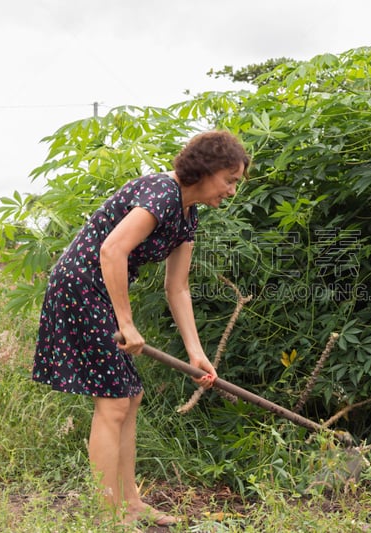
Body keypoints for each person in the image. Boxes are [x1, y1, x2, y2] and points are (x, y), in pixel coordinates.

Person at [32, 130, 250, 528]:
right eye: (230, 180)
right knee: (114, 402)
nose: (232, 191)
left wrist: (195, 351)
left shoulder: (187, 215)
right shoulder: (161, 192)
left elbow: (177, 287)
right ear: (205, 170)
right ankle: (106, 515)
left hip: (100, 292)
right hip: (80, 287)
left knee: (130, 397)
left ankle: (130, 504)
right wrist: (127, 323)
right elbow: (111, 250)